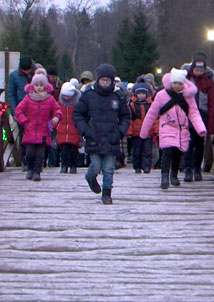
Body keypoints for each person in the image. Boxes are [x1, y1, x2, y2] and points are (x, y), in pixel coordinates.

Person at [140, 68, 206, 189]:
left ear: (183, 84)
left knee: (177, 151)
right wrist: (144, 132)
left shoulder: (188, 97)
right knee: (168, 150)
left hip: (182, 128)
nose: (177, 86)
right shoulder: (161, 95)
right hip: (167, 126)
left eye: (180, 83)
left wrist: (200, 128)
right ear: (171, 82)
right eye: (175, 83)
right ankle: (164, 175)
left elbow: (194, 113)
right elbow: (152, 113)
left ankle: (173, 174)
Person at [73, 64, 130, 204]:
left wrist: (120, 131)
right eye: (102, 80)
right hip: (94, 137)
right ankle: (90, 177)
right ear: (98, 80)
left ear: (112, 81)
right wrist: (86, 130)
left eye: (108, 80)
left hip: (112, 138)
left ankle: (107, 194)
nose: (105, 83)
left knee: (109, 168)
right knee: (96, 166)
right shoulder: (88, 95)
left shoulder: (118, 97)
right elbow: (78, 114)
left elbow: (125, 117)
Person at [15, 73, 62, 181]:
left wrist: (56, 118)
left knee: (40, 154)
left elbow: (58, 110)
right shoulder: (28, 98)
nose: (39, 87)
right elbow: (18, 111)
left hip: (44, 130)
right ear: (33, 86)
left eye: (41, 85)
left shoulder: (49, 99)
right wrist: (25, 122)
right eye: (37, 85)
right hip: (30, 130)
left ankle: (37, 172)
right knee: (29, 152)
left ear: (45, 86)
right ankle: (30, 169)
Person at [183, 52, 214, 181]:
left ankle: (197, 169)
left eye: (201, 70)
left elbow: (212, 104)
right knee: (188, 143)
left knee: (199, 144)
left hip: (202, 116)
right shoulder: (185, 79)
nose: (198, 72)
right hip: (186, 116)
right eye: (196, 69)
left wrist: (211, 128)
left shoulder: (208, 82)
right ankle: (188, 170)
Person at [8, 55, 35, 171]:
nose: (27, 72)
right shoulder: (14, 76)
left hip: (36, 109)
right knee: (24, 137)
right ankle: (25, 161)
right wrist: (14, 112)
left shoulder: (36, 74)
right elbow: (11, 94)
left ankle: (36, 161)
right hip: (22, 111)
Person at [127, 78, 156, 174]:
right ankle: (137, 167)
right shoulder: (131, 105)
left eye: (143, 93)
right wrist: (129, 132)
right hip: (136, 132)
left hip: (148, 131)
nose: (141, 95)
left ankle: (147, 166)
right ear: (135, 94)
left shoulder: (151, 104)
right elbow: (129, 120)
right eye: (139, 94)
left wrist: (156, 130)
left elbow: (155, 118)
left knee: (147, 150)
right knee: (137, 151)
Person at [56, 79, 82, 174]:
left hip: (74, 130)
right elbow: (55, 115)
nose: (66, 97)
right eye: (64, 96)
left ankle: (73, 166)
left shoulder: (77, 105)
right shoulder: (59, 104)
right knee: (64, 150)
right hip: (62, 130)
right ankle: (64, 165)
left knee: (73, 150)